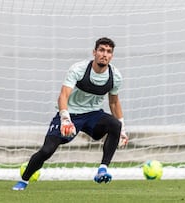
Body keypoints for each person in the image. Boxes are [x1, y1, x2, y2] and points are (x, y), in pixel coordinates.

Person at [12, 37, 128, 190]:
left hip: (93, 115)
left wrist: (123, 129)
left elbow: (113, 102)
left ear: (111, 56)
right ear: (94, 52)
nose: (104, 54)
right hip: (71, 114)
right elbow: (63, 96)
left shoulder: (115, 76)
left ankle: (102, 169)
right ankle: (24, 180)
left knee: (115, 124)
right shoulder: (78, 69)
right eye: (101, 50)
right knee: (47, 150)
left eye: (108, 52)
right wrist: (65, 119)